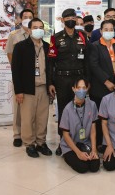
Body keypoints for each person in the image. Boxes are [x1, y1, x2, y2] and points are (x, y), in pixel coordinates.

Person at [48, 8, 89, 155]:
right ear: (62, 20)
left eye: (73, 16)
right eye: (68, 17)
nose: (71, 19)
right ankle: (62, 142)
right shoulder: (56, 38)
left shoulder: (82, 36)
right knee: (64, 111)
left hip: (79, 80)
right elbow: (50, 62)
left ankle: (79, 140)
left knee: (80, 111)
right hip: (62, 80)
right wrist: (51, 83)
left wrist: (87, 81)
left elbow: (87, 60)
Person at [12, 18, 53, 157]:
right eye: (35, 27)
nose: (38, 29)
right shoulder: (21, 47)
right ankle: (29, 144)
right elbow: (15, 70)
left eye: (41, 27)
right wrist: (19, 91)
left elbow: (51, 69)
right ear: (29, 30)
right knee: (27, 118)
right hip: (28, 89)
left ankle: (41, 142)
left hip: (43, 88)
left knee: (42, 117)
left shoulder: (48, 47)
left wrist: (51, 85)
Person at [59, 79, 100, 173]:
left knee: (94, 167)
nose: (81, 90)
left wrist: (94, 150)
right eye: (78, 88)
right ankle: (67, 156)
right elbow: (65, 135)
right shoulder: (68, 109)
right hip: (70, 145)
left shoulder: (92, 105)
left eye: (84, 88)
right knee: (82, 167)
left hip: (86, 143)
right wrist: (78, 153)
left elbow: (93, 131)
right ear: (74, 89)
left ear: (87, 89)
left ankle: (87, 152)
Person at [7, 8, 34, 147]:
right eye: (25, 16)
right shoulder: (14, 35)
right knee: (18, 106)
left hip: (35, 77)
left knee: (31, 108)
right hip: (20, 76)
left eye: (30, 16)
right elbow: (10, 54)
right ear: (20, 18)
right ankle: (17, 134)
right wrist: (17, 70)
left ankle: (30, 133)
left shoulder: (36, 33)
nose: (28, 18)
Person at [87, 19, 115, 107]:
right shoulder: (95, 46)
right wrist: (106, 81)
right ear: (101, 31)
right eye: (106, 29)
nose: (109, 31)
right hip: (100, 87)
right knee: (101, 115)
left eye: (111, 29)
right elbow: (94, 66)